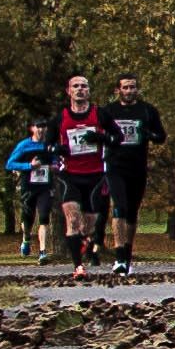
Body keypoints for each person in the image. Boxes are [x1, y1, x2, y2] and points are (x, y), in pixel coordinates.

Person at [96, 74, 164, 274]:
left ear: (137, 89)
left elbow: (161, 136)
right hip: (115, 165)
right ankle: (119, 258)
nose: (129, 91)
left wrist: (148, 134)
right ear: (118, 90)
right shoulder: (108, 111)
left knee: (132, 212)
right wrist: (106, 138)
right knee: (120, 207)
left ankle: (127, 253)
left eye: (132, 87)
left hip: (138, 167)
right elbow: (98, 134)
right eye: (125, 87)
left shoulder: (147, 110)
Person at [49, 75, 108, 278]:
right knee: (72, 220)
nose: (80, 89)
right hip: (69, 175)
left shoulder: (100, 115)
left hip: (95, 175)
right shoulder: (60, 118)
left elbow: (117, 138)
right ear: (69, 91)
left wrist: (101, 137)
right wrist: (57, 148)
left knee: (89, 224)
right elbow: (47, 146)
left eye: (84, 86)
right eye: (76, 86)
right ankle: (78, 267)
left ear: (89, 91)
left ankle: (86, 238)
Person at [9, 122, 49, 260]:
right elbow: (10, 164)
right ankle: (26, 239)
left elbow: (56, 160)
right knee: (28, 218)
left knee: (44, 217)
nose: (41, 129)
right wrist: (29, 165)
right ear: (32, 128)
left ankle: (43, 251)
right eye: (38, 126)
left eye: (44, 126)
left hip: (44, 187)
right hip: (28, 187)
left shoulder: (49, 144)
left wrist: (55, 165)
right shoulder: (24, 145)